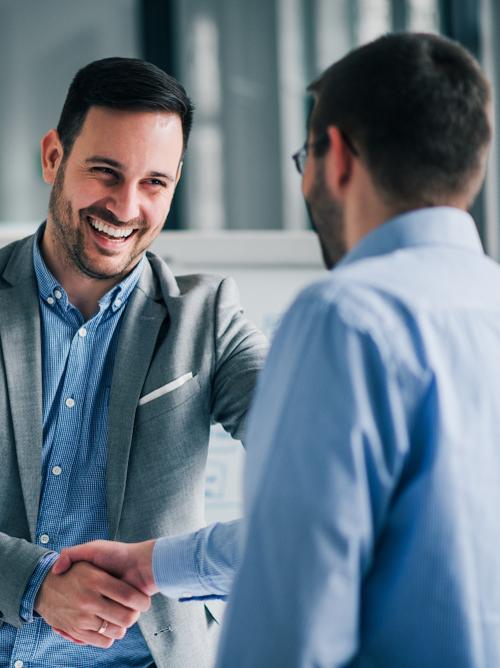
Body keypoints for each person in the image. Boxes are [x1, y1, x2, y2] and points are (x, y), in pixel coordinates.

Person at [57, 32, 499, 667]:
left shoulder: (345, 317)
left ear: (337, 158)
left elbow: (291, 588)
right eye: (105, 170)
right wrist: (152, 564)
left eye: (305, 157)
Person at [0, 57, 267, 667]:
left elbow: (319, 460)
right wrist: (32, 582)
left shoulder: (209, 317)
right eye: (105, 172)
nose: (125, 207)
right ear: (52, 157)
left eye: (154, 183)